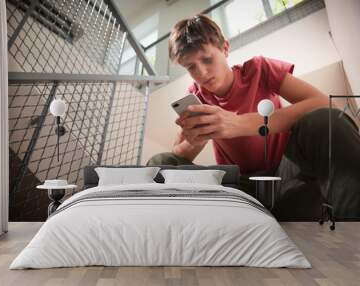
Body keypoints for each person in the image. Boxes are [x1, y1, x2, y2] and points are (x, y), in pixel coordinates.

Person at [146, 14, 360, 219]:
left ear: (225, 48)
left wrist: (239, 123)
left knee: (325, 122)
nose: (201, 72)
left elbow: (324, 103)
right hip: (242, 190)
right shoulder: (195, 96)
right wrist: (196, 138)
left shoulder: (259, 69)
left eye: (207, 59)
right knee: (162, 163)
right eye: (191, 67)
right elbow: (179, 155)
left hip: (289, 175)